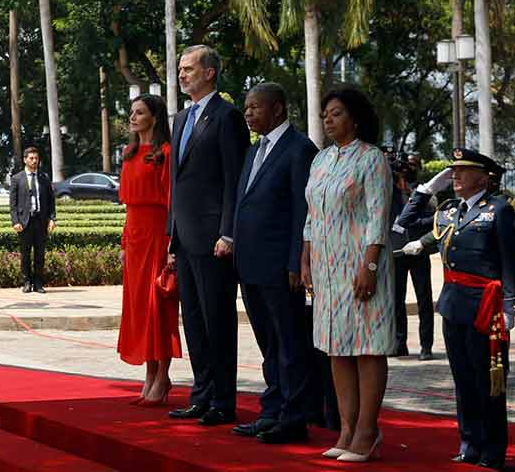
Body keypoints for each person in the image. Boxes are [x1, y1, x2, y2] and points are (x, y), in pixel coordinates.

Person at [399, 150, 515, 470]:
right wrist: (427, 190)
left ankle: (492, 449)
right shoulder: (449, 211)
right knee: (462, 379)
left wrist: (510, 308)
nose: (456, 176)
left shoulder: (500, 210)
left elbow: (510, 262)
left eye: (463, 171)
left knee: (488, 381)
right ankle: (469, 443)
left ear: (483, 177)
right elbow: (402, 224)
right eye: (453, 171)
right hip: (453, 305)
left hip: (486, 308)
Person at [300, 87, 394, 463]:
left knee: (366, 347)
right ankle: (346, 428)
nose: (328, 119)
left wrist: (369, 266)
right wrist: (305, 259)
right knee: (336, 347)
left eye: (336, 113)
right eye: (325, 114)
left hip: (360, 266)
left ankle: (368, 431)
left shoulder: (372, 159)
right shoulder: (320, 160)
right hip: (325, 269)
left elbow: (378, 216)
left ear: (354, 118)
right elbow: (311, 216)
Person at [227, 82, 317, 444]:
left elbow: (302, 210)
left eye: (254, 108)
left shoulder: (299, 149)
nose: (247, 114)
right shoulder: (254, 151)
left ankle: (294, 417)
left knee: (289, 342)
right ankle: (272, 410)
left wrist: (297, 261)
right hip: (250, 264)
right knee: (268, 343)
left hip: (281, 266)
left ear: (277, 109)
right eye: (246, 108)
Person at [167, 45, 250, 427]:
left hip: (215, 239)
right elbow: (176, 183)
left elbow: (235, 180)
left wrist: (228, 234)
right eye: (180, 69)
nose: (182, 74)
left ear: (210, 73)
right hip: (184, 239)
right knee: (195, 322)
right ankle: (201, 395)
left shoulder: (228, 117)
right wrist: (171, 240)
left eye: (189, 69)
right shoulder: (182, 118)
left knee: (217, 321)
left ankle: (223, 399)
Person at [117, 94, 181, 406]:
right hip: (135, 238)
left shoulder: (166, 153)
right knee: (140, 309)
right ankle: (149, 376)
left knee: (159, 307)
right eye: (132, 112)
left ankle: (162, 376)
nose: (133, 117)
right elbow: (128, 205)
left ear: (153, 118)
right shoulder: (129, 153)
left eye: (139, 112)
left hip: (157, 237)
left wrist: (172, 245)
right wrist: (124, 242)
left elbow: (172, 202)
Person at [388, 155, 435, 360]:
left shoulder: (423, 192)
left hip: (417, 250)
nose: (406, 171)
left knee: (424, 298)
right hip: (397, 252)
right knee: (397, 299)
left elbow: (435, 218)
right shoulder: (388, 191)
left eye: (411, 167)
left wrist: (414, 223)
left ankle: (426, 346)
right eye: (403, 168)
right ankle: (400, 343)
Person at [10, 146, 56, 293]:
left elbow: (51, 201)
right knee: (25, 254)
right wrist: (15, 221)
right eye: (31, 158)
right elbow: (13, 203)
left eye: (36, 158)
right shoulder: (17, 179)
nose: (34, 161)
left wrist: (52, 219)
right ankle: (27, 282)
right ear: (25, 160)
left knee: (40, 255)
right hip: (24, 222)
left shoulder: (44, 178)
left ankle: (38, 283)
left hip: (41, 221)